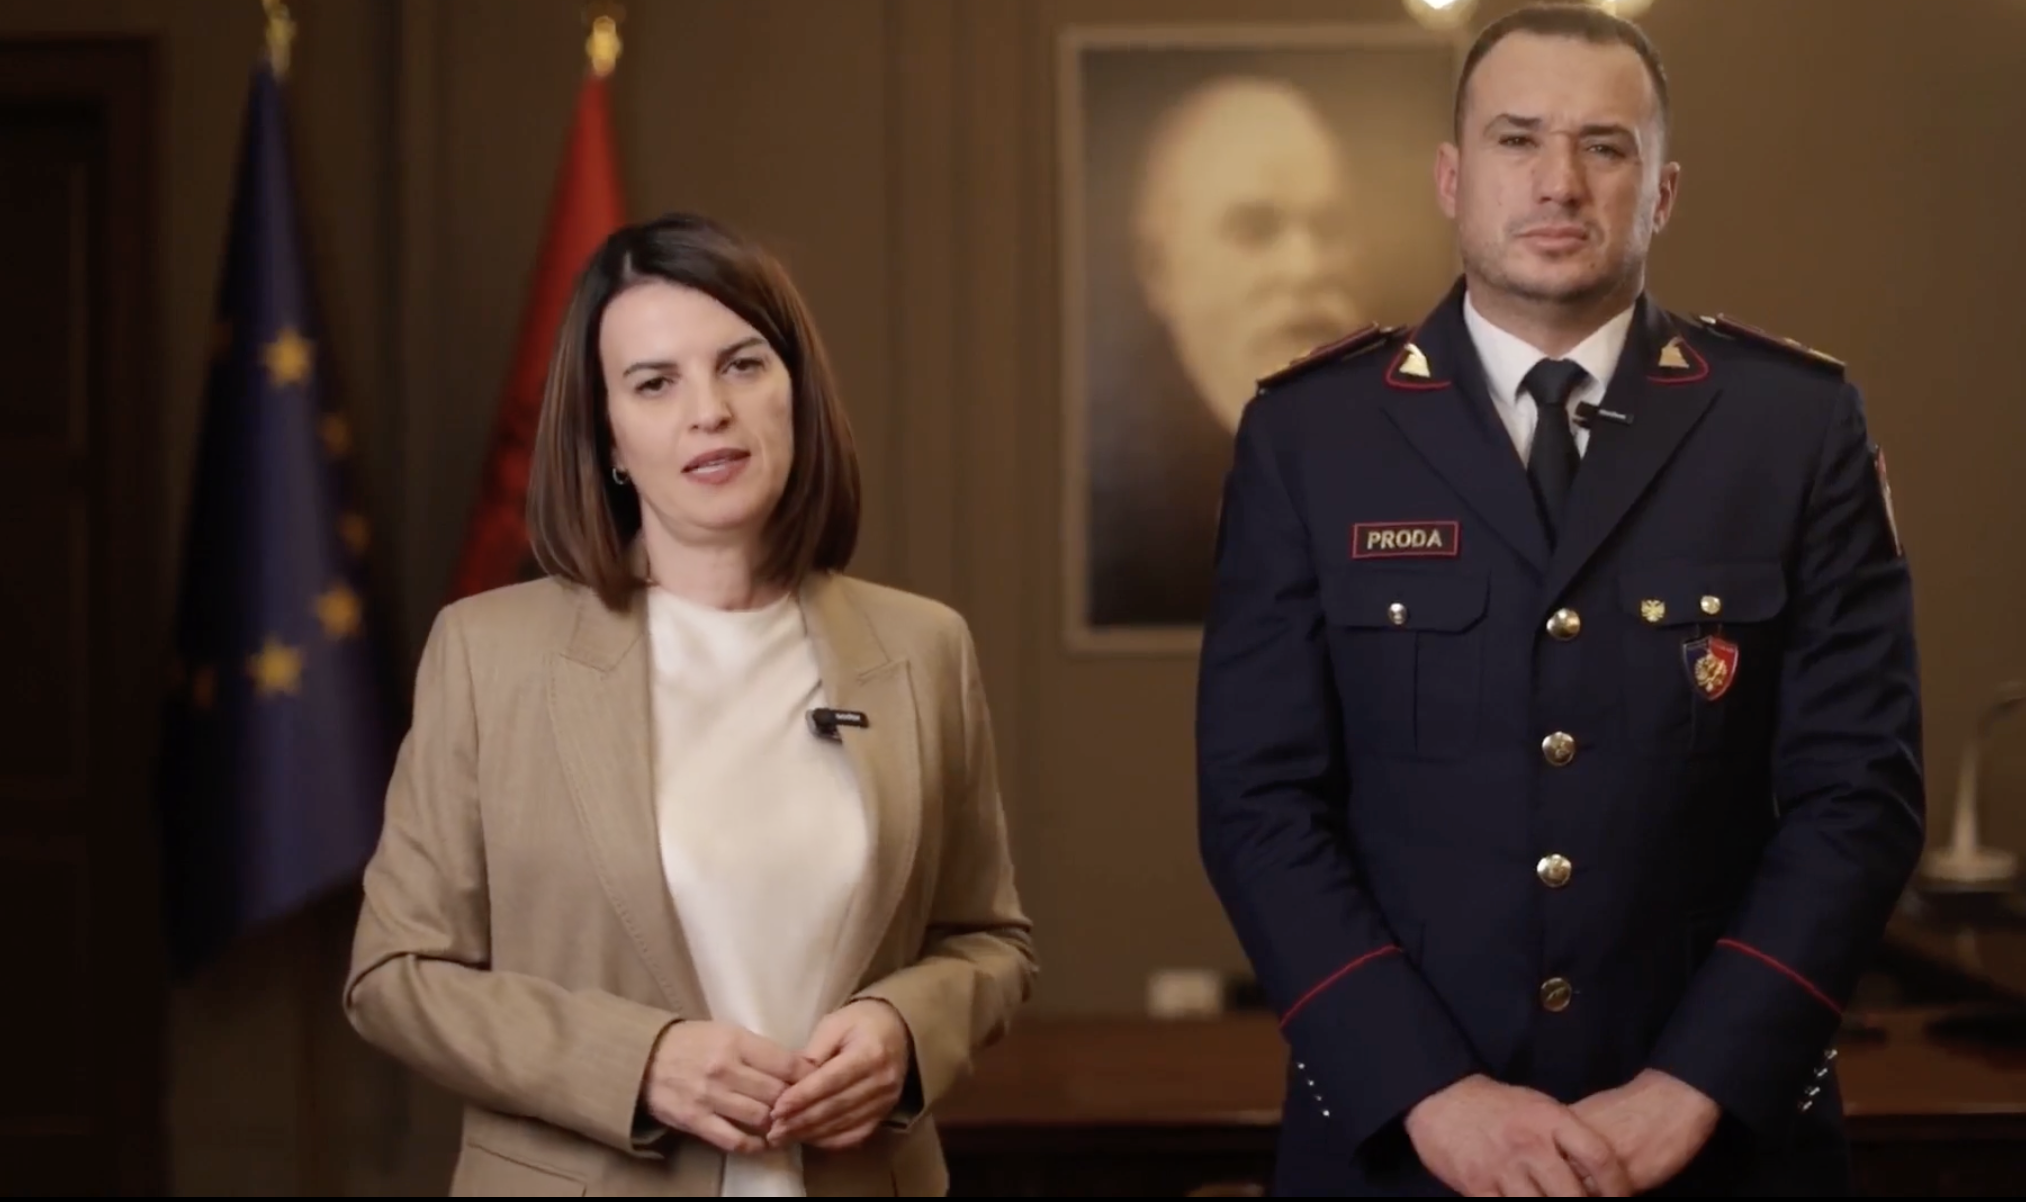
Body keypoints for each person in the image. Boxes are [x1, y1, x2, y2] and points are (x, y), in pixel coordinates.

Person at [1195, 3, 1922, 1196]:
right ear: (1450, 176)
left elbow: (1860, 797)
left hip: (1718, 1146)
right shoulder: (1309, 436)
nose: (1559, 182)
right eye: (1518, 138)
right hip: (1403, 1144)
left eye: (1604, 145)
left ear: (1662, 191)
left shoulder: (1792, 429)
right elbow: (1256, 804)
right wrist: (1431, 1093)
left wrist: (1691, 1086)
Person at [344, 212, 1037, 1197]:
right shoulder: (487, 654)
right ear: (610, 440)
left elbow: (990, 940)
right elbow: (395, 975)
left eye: (741, 365)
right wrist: (636, 1063)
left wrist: (905, 1029)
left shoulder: (924, 648)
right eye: (655, 382)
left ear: (795, 391)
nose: (709, 410)